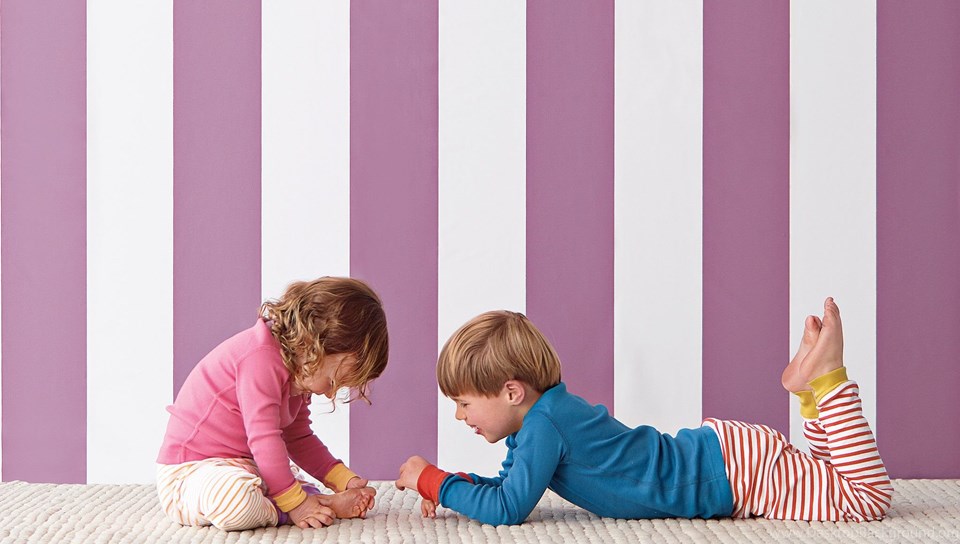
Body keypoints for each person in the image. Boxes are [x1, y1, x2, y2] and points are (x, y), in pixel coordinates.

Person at [396, 298, 892, 526]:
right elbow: (508, 487)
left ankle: (829, 380)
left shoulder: (545, 426)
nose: (460, 416)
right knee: (833, 476)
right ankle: (809, 393)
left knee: (866, 498)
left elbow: (508, 509)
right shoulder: (542, 420)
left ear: (510, 392)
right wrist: (454, 485)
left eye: (464, 403)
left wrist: (434, 481)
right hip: (727, 458)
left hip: (735, 476)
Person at [157, 277, 388, 531]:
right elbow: (264, 438)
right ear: (313, 348)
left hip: (246, 467)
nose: (330, 394)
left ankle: (304, 500)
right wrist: (297, 505)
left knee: (277, 482)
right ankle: (308, 505)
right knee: (236, 502)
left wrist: (343, 479)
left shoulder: (298, 372)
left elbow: (299, 439)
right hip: (190, 473)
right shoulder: (260, 358)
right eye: (333, 381)